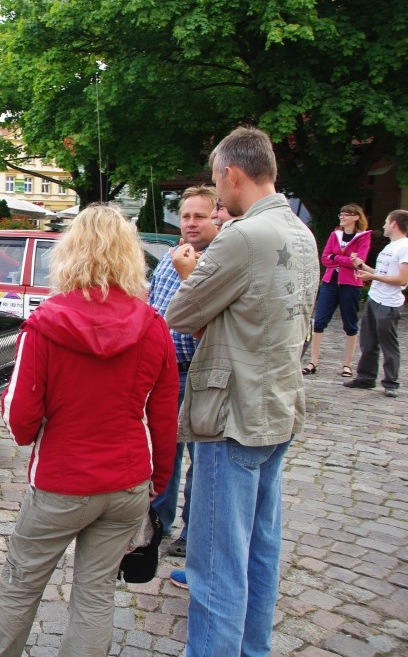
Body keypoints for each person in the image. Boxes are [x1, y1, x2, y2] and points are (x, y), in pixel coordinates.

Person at [0, 205, 178, 657]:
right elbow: (164, 419)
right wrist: (155, 485)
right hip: (127, 482)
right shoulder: (154, 326)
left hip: (63, 482)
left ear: (69, 253)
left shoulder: (44, 326)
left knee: (21, 585)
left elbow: (21, 422)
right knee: (96, 594)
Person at [165, 126, 317, 657]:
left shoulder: (243, 235)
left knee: (215, 559)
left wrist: (190, 270)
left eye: (215, 180)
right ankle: (253, 649)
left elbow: (181, 313)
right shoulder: (302, 232)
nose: (217, 191)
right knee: (260, 548)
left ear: (231, 174)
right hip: (278, 405)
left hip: (233, 415)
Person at [149, 186, 219, 559]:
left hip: (198, 373)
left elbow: (209, 318)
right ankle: (158, 525)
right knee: (164, 454)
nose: (191, 223)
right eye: (187, 216)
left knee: (201, 459)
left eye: (200, 216)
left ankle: (194, 533)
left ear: (216, 219)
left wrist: (190, 273)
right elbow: (152, 307)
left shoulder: (218, 261)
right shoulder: (170, 256)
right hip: (164, 374)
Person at [344, 209, 408, 398]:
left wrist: (371, 276)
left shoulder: (404, 246)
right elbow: (384, 274)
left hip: (389, 303)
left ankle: (391, 383)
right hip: (375, 298)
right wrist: (363, 266)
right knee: (368, 341)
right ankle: (366, 377)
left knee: (388, 344)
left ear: (394, 224)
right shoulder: (390, 246)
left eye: (386, 222)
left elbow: (402, 280)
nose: (383, 225)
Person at [303, 205, 370, 378]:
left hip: (351, 284)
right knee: (319, 322)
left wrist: (336, 258)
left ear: (356, 217)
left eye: (346, 214)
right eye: (341, 214)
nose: (342, 217)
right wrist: (343, 259)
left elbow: (358, 262)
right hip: (330, 282)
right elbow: (325, 259)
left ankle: (347, 364)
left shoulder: (363, 237)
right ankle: (313, 361)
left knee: (350, 324)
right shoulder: (335, 235)